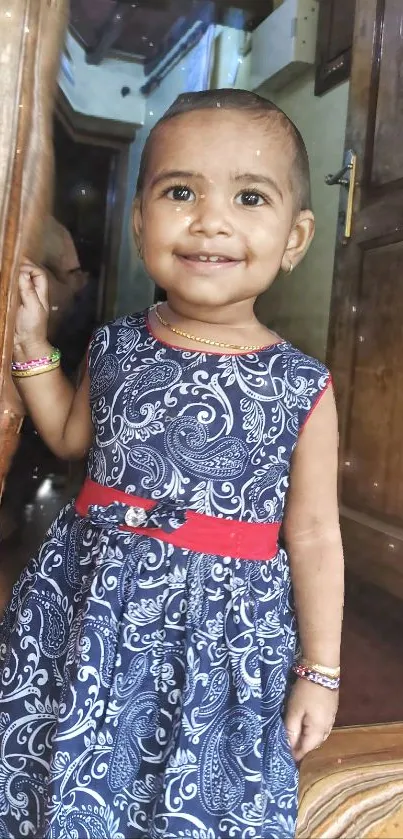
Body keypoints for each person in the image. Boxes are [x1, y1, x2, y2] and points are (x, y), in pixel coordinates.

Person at [0, 89, 344, 839]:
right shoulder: (118, 344)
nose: (210, 219)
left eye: (249, 196)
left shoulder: (300, 386)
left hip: (219, 636)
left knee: (193, 789)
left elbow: (314, 533)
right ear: (138, 223)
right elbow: (66, 436)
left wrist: (319, 668)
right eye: (179, 191)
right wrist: (31, 343)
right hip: (88, 610)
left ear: (295, 236)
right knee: (63, 759)